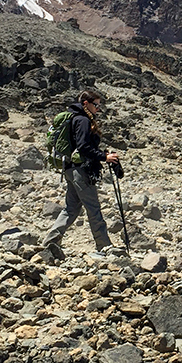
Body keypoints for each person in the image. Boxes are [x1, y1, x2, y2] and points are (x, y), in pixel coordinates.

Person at [43, 89, 121, 253]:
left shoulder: (73, 118)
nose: (98, 108)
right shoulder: (83, 120)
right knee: (93, 207)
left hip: (70, 169)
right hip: (81, 170)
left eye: (99, 105)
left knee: (71, 208)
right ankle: (104, 245)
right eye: (96, 105)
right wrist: (104, 157)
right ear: (86, 103)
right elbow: (83, 147)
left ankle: (50, 241)